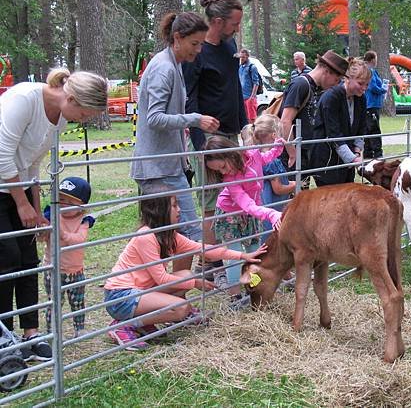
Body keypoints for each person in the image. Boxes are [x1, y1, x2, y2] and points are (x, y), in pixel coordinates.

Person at [0, 67, 107, 361]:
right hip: (4, 187)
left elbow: (33, 164)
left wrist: (36, 209)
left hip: (18, 186)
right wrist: (22, 205)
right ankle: (4, 335)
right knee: (6, 258)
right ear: (71, 97)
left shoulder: (58, 117)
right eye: (84, 114)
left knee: (29, 259)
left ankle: (31, 334)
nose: (82, 120)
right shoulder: (23, 99)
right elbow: (3, 155)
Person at [104, 190, 265, 350]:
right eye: (174, 206)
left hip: (139, 291)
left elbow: (203, 249)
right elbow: (161, 279)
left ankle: (145, 322)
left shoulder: (168, 235)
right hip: (120, 296)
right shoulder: (146, 236)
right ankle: (124, 326)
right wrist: (194, 283)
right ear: (160, 210)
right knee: (181, 307)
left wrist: (243, 255)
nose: (179, 209)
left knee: (186, 275)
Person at [131, 12, 219, 273]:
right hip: (159, 169)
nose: (199, 49)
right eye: (195, 44)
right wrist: (195, 119)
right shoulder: (163, 68)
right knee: (188, 232)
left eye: (201, 43)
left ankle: (166, 300)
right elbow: (154, 117)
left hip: (167, 165)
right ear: (177, 38)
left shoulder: (174, 65)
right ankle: (171, 299)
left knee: (159, 234)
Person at [182, 0, 246, 283]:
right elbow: (189, 99)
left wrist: (245, 125)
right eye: (234, 23)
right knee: (210, 201)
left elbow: (233, 89)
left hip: (232, 132)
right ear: (218, 21)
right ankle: (209, 264)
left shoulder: (229, 46)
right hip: (208, 137)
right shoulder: (197, 53)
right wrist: (201, 144)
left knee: (231, 196)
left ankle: (229, 258)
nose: (237, 28)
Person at [204, 135, 284, 305]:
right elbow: (247, 204)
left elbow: (264, 158)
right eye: (218, 171)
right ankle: (236, 297)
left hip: (251, 213)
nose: (223, 172)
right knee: (234, 254)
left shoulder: (252, 154)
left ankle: (252, 290)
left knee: (255, 251)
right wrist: (271, 214)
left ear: (231, 154)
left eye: (223, 166)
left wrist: (277, 149)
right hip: (230, 214)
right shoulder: (230, 180)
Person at [41, 177, 94, 338]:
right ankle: (53, 330)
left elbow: (79, 239)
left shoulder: (83, 221)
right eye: (61, 199)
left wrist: (62, 234)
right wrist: (43, 230)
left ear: (81, 206)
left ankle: (79, 328)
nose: (64, 204)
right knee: (54, 302)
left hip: (75, 270)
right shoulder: (51, 216)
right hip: (53, 268)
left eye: (70, 202)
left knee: (77, 301)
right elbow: (41, 237)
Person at [280, 49, 349, 172]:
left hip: (304, 152)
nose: (335, 85)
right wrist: (292, 153)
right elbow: (285, 121)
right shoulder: (300, 84)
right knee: (292, 190)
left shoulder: (315, 88)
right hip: (291, 155)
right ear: (327, 71)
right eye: (336, 80)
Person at [311, 57, 369, 185]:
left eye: (367, 84)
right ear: (348, 78)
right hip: (327, 159)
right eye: (360, 83)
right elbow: (334, 134)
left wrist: (357, 152)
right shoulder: (331, 97)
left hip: (347, 160)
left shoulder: (361, 98)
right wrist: (353, 160)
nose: (364, 88)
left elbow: (361, 128)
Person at [241, 115, 295, 242]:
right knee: (271, 235)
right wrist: (294, 184)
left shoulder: (256, 156)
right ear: (274, 135)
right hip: (272, 204)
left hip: (260, 203)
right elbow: (278, 189)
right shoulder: (272, 161)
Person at [363, 51, 386, 158]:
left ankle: (368, 152)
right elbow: (372, 87)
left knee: (368, 128)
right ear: (372, 59)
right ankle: (377, 152)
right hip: (371, 104)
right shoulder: (369, 71)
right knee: (373, 128)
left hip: (373, 104)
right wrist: (382, 90)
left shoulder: (373, 71)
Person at [238, 49, 260, 123]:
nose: (241, 59)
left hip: (249, 97)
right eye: (240, 57)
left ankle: (253, 133)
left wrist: (252, 96)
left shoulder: (252, 67)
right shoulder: (240, 67)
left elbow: (256, 82)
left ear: (247, 56)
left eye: (243, 57)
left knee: (252, 118)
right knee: (244, 118)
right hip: (242, 97)